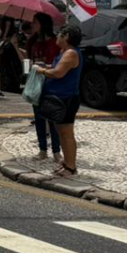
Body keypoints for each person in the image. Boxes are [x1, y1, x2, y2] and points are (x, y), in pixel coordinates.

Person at [34, 27, 83, 177]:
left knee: (67, 133)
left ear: (66, 36)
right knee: (61, 131)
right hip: (58, 97)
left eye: (59, 35)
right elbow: (56, 67)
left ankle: (71, 167)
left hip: (66, 98)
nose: (56, 38)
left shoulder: (71, 53)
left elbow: (58, 73)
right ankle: (66, 163)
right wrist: (46, 66)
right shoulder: (64, 52)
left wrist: (41, 71)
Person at [25, 12, 62, 161]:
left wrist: (44, 66)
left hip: (51, 83)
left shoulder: (55, 42)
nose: (33, 25)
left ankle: (56, 151)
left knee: (53, 118)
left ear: (43, 25)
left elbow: (58, 63)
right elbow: (28, 60)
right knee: (38, 118)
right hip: (36, 83)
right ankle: (42, 149)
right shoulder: (33, 42)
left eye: (35, 22)